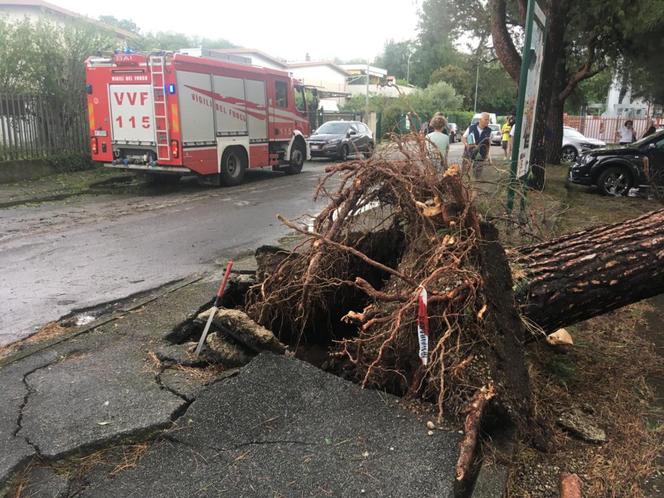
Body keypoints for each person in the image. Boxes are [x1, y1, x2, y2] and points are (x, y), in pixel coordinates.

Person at [461, 112, 492, 176]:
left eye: (488, 120)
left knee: (477, 174)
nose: (488, 121)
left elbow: (488, 144)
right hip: (469, 152)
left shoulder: (489, 131)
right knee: (464, 171)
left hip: (481, 154)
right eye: (486, 119)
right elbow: (463, 137)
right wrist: (466, 144)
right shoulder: (471, 128)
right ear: (480, 119)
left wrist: (488, 156)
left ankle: (476, 181)